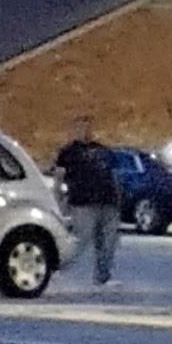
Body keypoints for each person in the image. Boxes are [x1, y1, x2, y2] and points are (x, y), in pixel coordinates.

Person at [54, 116, 120, 285]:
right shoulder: (68, 152)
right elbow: (59, 178)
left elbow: (113, 176)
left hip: (108, 201)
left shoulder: (103, 151)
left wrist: (118, 198)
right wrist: (59, 200)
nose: (85, 131)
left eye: (88, 127)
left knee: (108, 242)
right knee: (80, 240)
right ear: (76, 130)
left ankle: (103, 276)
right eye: (81, 128)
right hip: (82, 203)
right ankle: (56, 268)